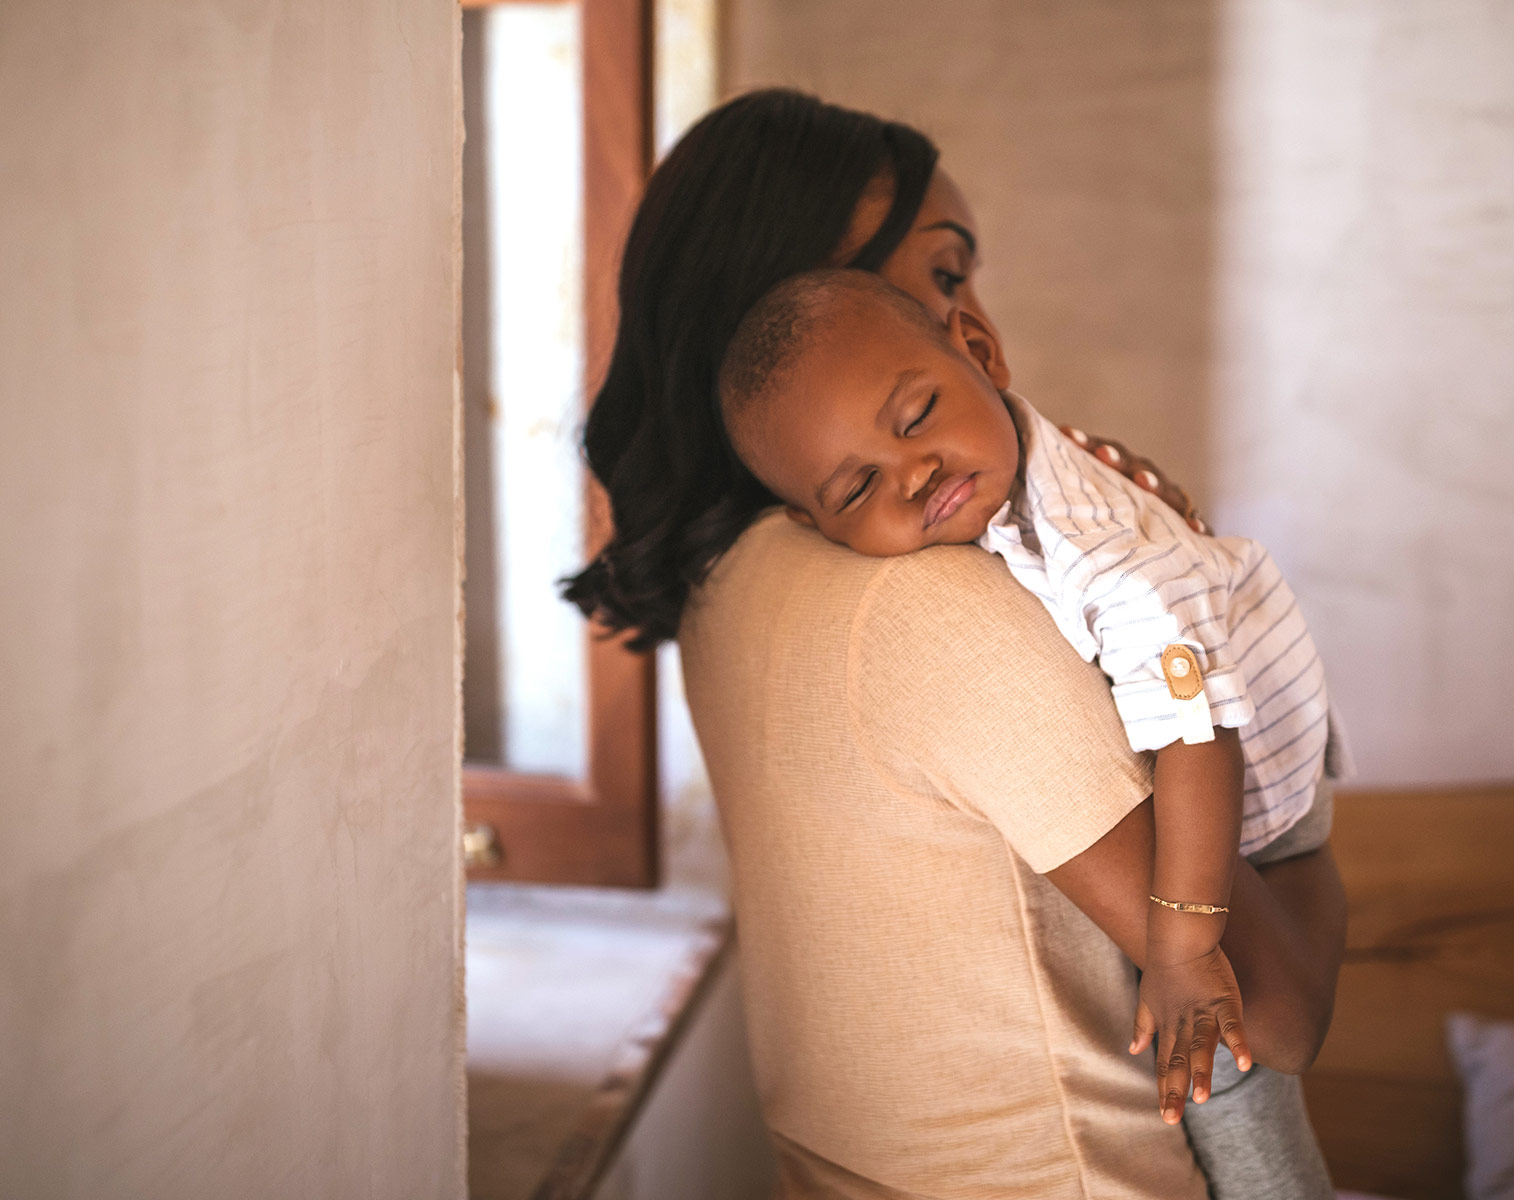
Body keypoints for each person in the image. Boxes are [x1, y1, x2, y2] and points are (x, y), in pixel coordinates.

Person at [565, 89, 1344, 1199]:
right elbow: (1275, 1014)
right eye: (943, 273)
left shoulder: (733, 583)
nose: (976, 315)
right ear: (805, 295)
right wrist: (1305, 825)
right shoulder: (927, 604)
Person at [712, 267, 1349, 1126]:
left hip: (1260, 792)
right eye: (858, 488)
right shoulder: (996, 476)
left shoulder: (1106, 558)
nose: (911, 471)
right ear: (813, 527)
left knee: (1227, 1071)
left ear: (981, 349)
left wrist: (1185, 946)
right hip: (1204, 781)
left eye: (915, 418)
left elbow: (1198, 736)